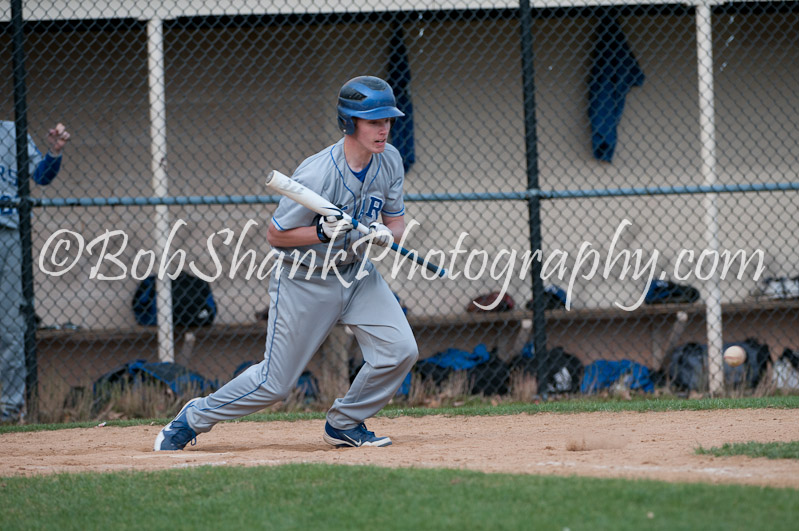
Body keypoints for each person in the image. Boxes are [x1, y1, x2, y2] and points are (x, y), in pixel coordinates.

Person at [155, 76, 418, 450]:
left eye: (387, 120)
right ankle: (192, 418)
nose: (383, 129)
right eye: (373, 121)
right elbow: (276, 236)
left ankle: (344, 422)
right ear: (349, 123)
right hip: (305, 280)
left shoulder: (389, 159)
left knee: (401, 351)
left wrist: (384, 235)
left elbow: (396, 224)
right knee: (274, 385)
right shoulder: (316, 174)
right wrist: (322, 235)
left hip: (357, 275)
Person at [1, 121, 70, 423]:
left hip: (9, 234)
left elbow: (40, 177)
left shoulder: (10, 132)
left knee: (10, 325)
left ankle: (11, 407)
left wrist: (54, 152)